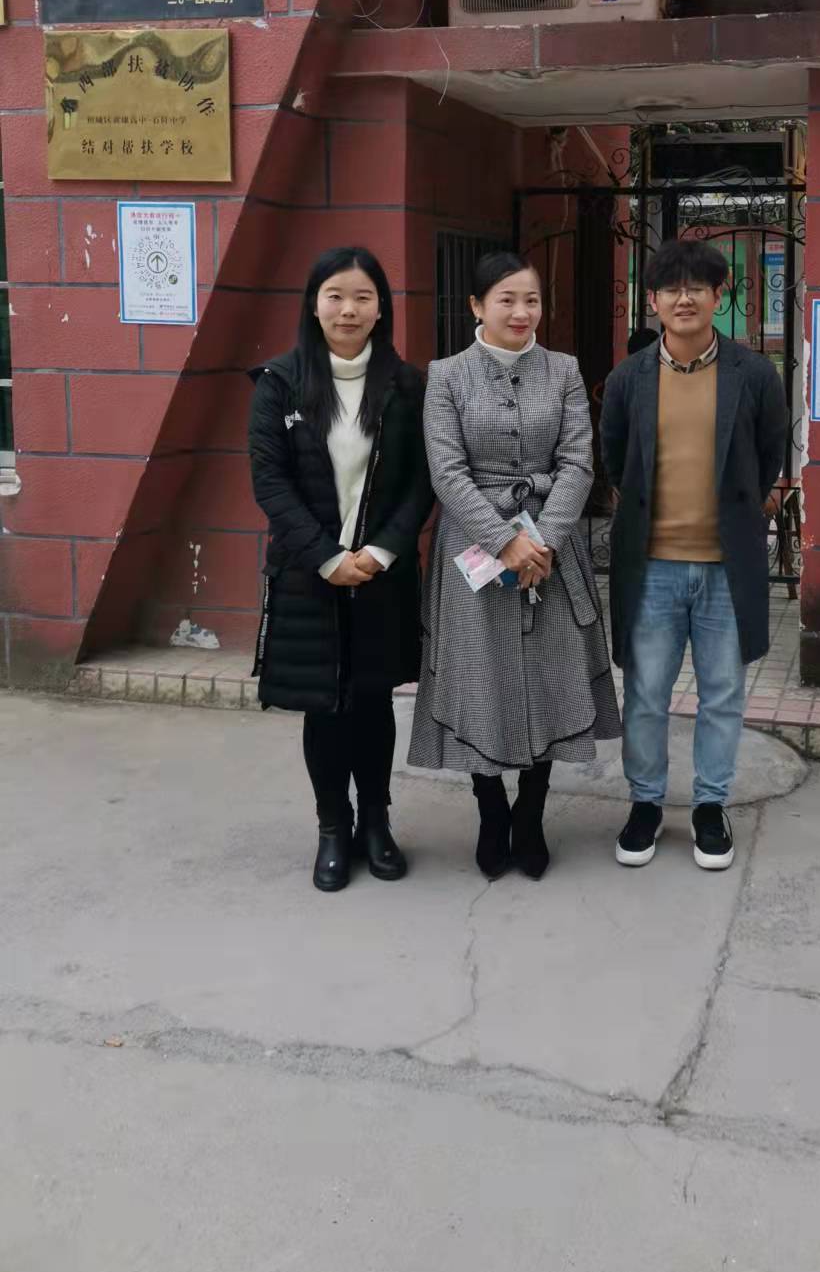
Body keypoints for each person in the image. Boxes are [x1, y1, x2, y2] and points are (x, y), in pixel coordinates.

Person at [408, 252, 620, 880]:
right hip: (471, 552)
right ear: (477, 306)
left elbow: (578, 461)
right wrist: (504, 541)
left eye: (531, 300)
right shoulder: (446, 376)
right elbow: (447, 472)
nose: (521, 312)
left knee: (549, 680)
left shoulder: (564, 370)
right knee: (481, 681)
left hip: (552, 549)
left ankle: (530, 814)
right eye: (506, 299)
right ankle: (490, 809)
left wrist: (542, 541)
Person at [248, 247, 433, 894]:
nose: (348, 309)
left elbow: (420, 482)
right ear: (314, 304)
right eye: (335, 295)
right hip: (309, 574)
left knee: (373, 700)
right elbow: (270, 483)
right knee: (324, 706)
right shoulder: (279, 382)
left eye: (362, 296)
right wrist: (327, 557)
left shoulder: (407, 386)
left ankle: (376, 823)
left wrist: (379, 552)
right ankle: (333, 828)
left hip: (382, 573)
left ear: (381, 308)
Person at [600, 238, 789, 871]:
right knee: (646, 694)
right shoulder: (628, 378)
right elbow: (615, 458)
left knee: (723, 694)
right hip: (651, 566)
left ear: (718, 295)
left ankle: (711, 805)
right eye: (671, 288)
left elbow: (768, 457)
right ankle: (646, 804)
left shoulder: (753, 374)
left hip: (725, 568)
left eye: (697, 287)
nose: (684, 299)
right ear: (652, 300)